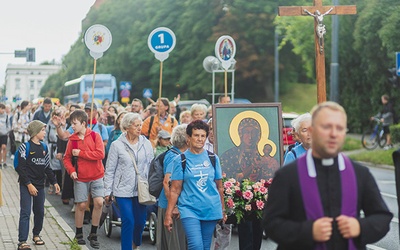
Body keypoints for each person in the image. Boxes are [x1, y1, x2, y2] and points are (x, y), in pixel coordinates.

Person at [263, 101, 393, 250]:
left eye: (339, 128)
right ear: (313, 131)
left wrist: (360, 227)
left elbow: (382, 217)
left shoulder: (360, 174)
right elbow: (271, 224)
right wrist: (308, 231)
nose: (333, 134)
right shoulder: (287, 176)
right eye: (326, 127)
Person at [164, 120, 226, 250]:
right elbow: (175, 190)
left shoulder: (213, 158)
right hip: (189, 209)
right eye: (196, 135)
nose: (200, 139)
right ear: (188, 138)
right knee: (196, 246)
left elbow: (219, 187)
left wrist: (223, 209)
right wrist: (168, 214)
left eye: (203, 136)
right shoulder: (180, 160)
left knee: (204, 246)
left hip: (210, 208)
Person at [104, 112, 154, 250]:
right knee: (128, 220)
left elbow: (151, 167)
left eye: (140, 125)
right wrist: (108, 191)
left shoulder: (146, 143)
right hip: (122, 190)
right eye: (136, 125)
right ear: (126, 127)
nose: (139, 128)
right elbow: (110, 170)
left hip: (141, 189)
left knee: (140, 223)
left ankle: (135, 244)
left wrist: (153, 186)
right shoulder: (117, 145)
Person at [63, 109, 105, 249]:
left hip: (97, 175)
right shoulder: (72, 140)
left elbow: (100, 154)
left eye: (74, 123)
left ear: (83, 123)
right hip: (80, 177)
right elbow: (67, 158)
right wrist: (71, 171)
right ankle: (79, 233)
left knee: (99, 202)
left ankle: (93, 234)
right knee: (81, 205)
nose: (72, 126)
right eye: (71, 124)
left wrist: (81, 153)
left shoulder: (95, 136)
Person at [16, 120, 60, 250]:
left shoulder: (44, 147)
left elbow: (47, 167)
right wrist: (29, 184)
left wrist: (54, 182)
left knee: (39, 211)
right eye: (42, 130)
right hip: (26, 185)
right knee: (25, 212)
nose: (44, 132)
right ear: (35, 132)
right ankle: (22, 241)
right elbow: (20, 168)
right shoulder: (25, 147)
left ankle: (36, 234)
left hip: (40, 186)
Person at [157, 124, 188, 250]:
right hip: (171, 206)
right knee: (174, 244)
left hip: (171, 205)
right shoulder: (174, 156)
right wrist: (173, 206)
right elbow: (167, 181)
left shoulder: (175, 153)